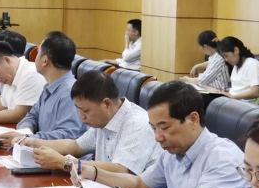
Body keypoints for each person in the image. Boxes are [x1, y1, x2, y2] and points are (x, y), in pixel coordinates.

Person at [79, 81, 256, 188]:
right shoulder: (172, 153)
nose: (158, 137)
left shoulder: (223, 156)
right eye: (154, 128)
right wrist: (93, 172)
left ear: (193, 119)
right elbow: (139, 184)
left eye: (164, 128)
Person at [21, 70, 161, 175]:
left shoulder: (136, 123)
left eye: (85, 111)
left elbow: (121, 170)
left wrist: (64, 162)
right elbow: (75, 146)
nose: (81, 116)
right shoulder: (104, 119)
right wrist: (32, 142)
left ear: (106, 104)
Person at [0, 32, 87, 147]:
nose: (34, 58)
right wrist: (25, 131)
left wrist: (28, 139)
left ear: (45, 61)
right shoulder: (49, 86)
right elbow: (31, 116)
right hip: (41, 150)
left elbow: (68, 135)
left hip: (61, 156)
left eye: (38, 52)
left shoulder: (69, 92)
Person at [217, 36, 259, 101]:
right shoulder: (236, 65)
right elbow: (241, 87)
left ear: (236, 50)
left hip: (248, 104)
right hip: (236, 101)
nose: (226, 60)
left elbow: (256, 92)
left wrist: (233, 97)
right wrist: (229, 90)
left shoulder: (252, 64)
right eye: (224, 57)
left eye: (226, 56)